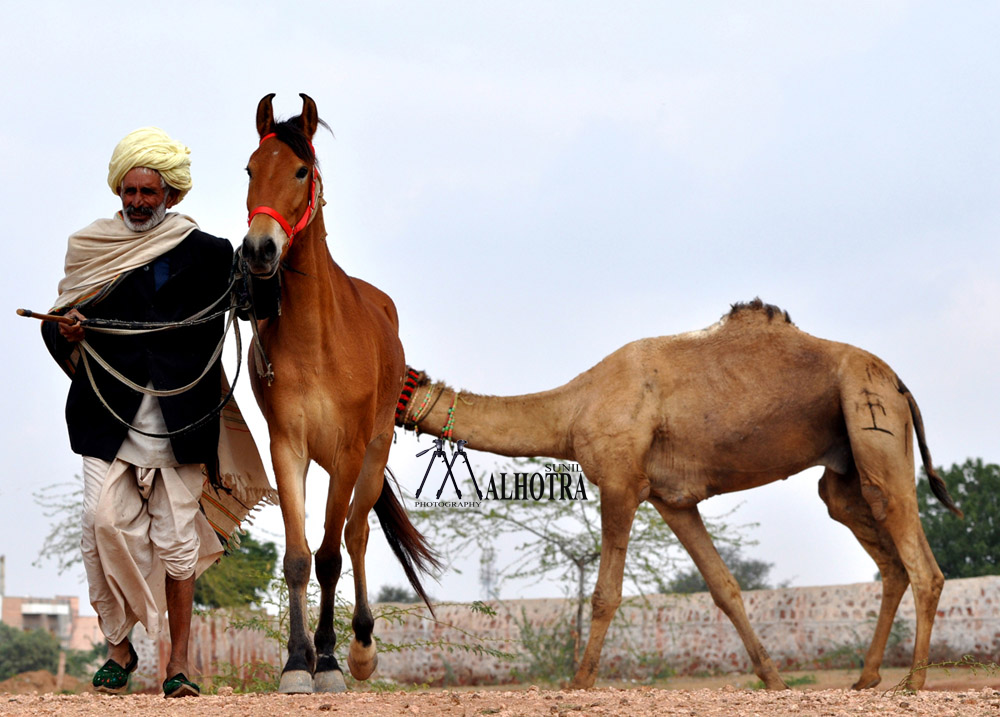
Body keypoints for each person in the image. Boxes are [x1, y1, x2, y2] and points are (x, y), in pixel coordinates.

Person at [43, 127, 235, 698]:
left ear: (171, 195)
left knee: (178, 547)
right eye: (129, 191)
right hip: (107, 413)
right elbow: (60, 327)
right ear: (118, 189)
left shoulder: (210, 253)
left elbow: (234, 318)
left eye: (149, 193)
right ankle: (119, 645)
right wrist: (69, 331)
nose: (137, 202)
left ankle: (177, 666)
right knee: (100, 527)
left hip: (182, 417)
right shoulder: (91, 247)